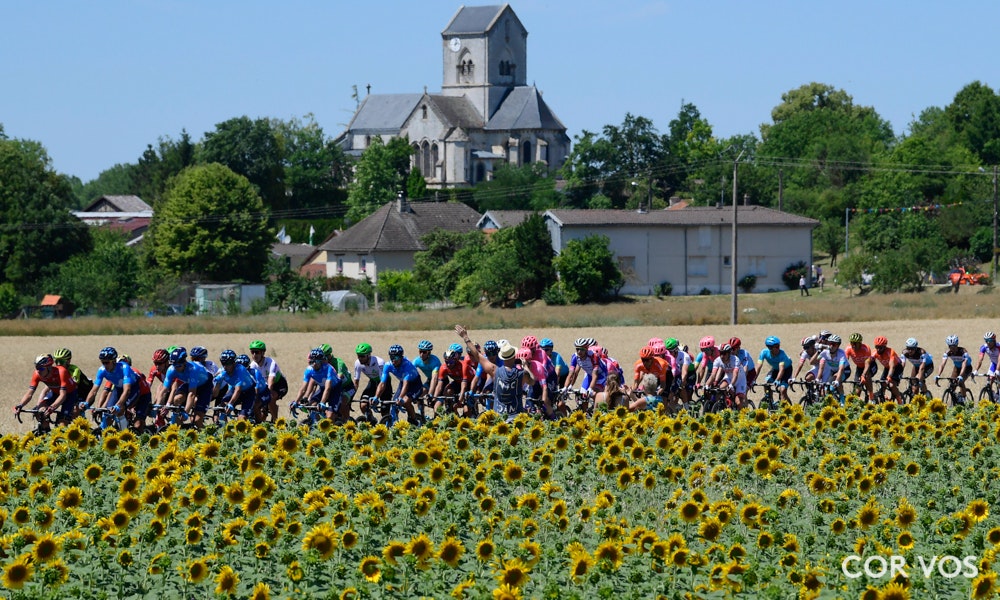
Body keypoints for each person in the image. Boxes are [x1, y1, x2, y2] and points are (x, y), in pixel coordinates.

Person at [455, 325, 529, 420]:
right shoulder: (520, 374)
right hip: (516, 417)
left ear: (500, 355)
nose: (491, 357)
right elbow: (531, 380)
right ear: (514, 356)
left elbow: (477, 355)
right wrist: (526, 366)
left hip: (500, 416)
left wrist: (465, 337)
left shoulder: (495, 369)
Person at [14, 354, 78, 428]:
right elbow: (29, 393)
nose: (38, 371)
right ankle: (46, 432)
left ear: (49, 367)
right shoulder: (37, 374)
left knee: (62, 423)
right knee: (39, 412)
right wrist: (20, 405)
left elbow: (63, 395)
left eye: (41, 369)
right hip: (55, 393)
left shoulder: (61, 372)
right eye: (36, 368)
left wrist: (52, 407)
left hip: (69, 394)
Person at [159, 347, 214, 428]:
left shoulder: (193, 370)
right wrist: (159, 406)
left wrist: (186, 412)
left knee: (197, 420)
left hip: (205, 386)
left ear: (184, 362)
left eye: (179, 366)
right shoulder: (171, 369)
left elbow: (192, 394)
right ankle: (176, 423)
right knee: (177, 399)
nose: (176, 368)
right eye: (174, 366)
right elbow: (164, 390)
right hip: (190, 382)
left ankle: (207, 436)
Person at [85, 347, 138, 422]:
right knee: (107, 413)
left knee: (120, 409)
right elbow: (94, 390)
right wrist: (86, 403)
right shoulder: (101, 370)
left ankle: (125, 432)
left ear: (113, 361)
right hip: (118, 388)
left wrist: (118, 405)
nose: (105, 365)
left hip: (133, 388)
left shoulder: (124, 367)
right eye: (103, 363)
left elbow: (127, 390)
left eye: (107, 363)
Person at [375, 344, 423, 423]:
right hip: (402, 383)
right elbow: (382, 383)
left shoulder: (407, 365)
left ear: (401, 357)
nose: (393, 360)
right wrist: (376, 397)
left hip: (415, 384)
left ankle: (414, 419)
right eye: (391, 357)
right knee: (394, 403)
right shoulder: (388, 365)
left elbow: (406, 384)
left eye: (396, 357)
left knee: (405, 401)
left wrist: (400, 398)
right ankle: (394, 421)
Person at [293, 348, 343, 421]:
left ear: (321, 361)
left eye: (315, 362)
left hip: (335, 390)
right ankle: (317, 424)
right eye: (311, 362)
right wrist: (296, 402)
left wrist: (322, 403)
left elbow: (328, 388)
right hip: (323, 389)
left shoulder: (329, 368)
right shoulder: (309, 370)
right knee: (312, 406)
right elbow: (303, 389)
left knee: (330, 416)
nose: (313, 364)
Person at [248, 340, 287, 423]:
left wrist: (267, 393)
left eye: (257, 352)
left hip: (279, 385)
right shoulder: (252, 365)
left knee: (270, 398)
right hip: (264, 385)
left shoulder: (270, 362)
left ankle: (276, 422)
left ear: (262, 353)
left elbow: (271, 379)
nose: (254, 355)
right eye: (252, 352)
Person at [213, 350, 257, 421]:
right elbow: (215, 394)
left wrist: (230, 404)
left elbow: (238, 390)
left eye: (227, 363)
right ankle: (224, 427)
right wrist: (217, 383)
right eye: (223, 363)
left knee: (241, 418)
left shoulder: (240, 369)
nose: (225, 366)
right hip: (235, 389)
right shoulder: (222, 372)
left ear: (234, 363)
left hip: (249, 392)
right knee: (222, 405)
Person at [321, 344, 355, 422]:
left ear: (329, 355)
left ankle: (347, 421)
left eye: (325, 357)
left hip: (348, 387)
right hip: (335, 387)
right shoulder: (322, 365)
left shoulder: (339, 362)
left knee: (342, 402)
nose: (323, 359)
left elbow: (340, 376)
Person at [707, 343, 747, 409]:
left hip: (740, 380)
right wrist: (707, 385)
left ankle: (743, 415)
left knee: (738, 402)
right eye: (720, 353)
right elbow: (713, 375)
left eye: (724, 353)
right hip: (728, 378)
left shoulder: (735, 360)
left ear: (729, 353)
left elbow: (735, 374)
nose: (722, 356)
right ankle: (724, 406)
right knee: (719, 390)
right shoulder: (717, 360)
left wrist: (731, 385)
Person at [119, 354, 153, 430]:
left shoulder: (134, 372)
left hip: (143, 395)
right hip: (130, 395)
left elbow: (138, 392)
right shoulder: (116, 374)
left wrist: (131, 406)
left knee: (138, 424)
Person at [935, 334, 973, 401]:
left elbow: (964, 364)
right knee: (952, 384)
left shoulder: (963, 351)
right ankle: (954, 401)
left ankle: (964, 399)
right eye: (950, 346)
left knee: (960, 382)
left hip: (967, 368)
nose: (952, 348)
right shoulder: (948, 352)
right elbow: (942, 364)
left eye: (954, 346)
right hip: (957, 368)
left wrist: (961, 376)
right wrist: (938, 375)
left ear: (957, 345)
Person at [756, 336, 792, 405]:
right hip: (775, 369)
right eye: (776, 346)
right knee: (767, 384)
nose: (778, 348)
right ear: (770, 348)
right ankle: (770, 402)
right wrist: (753, 379)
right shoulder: (764, 352)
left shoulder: (782, 354)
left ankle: (788, 409)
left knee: (782, 390)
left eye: (778, 346)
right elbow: (758, 367)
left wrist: (777, 380)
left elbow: (782, 369)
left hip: (786, 370)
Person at [870, 336, 904, 403]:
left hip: (897, 368)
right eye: (877, 347)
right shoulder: (875, 352)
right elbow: (868, 362)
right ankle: (883, 397)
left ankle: (900, 401)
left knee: (891, 384)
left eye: (880, 347)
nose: (878, 349)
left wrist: (889, 377)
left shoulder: (891, 352)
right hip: (887, 368)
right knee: (882, 383)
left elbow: (892, 366)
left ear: (885, 347)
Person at [845, 333, 876, 400]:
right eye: (851, 343)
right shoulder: (849, 348)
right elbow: (844, 360)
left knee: (867, 376)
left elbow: (867, 363)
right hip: (859, 368)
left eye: (855, 343)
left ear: (860, 343)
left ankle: (871, 397)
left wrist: (863, 375)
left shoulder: (865, 348)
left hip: (870, 366)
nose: (853, 345)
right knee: (857, 390)